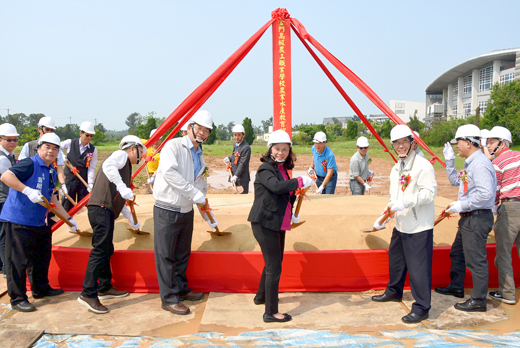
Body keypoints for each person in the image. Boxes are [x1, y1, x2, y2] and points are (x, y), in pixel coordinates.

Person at [0, 133, 79, 312]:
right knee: (17, 261)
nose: (51, 151)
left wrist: (68, 219)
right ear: (39, 148)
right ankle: (18, 298)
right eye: (47, 147)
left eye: (55, 148)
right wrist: (27, 190)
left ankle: (40, 288)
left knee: (41, 257)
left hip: (39, 221)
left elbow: (52, 198)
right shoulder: (29, 163)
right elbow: (6, 177)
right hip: (19, 219)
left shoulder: (50, 170)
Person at [153, 110, 218, 316]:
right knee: (166, 255)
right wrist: (193, 193)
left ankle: (181, 289)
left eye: (206, 130)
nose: (202, 133)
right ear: (189, 127)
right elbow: (169, 173)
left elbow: (199, 181)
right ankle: (169, 298)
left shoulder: (199, 153)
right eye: (198, 128)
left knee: (181, 254)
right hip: (167, 208)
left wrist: (202, 202)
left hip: (186, 209)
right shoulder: (173, 146)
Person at [371, 125, 437, 324]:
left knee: (418, 269)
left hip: (418, 226)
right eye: (396, 143)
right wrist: (385, 215)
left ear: (412, 143)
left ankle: (422, 307)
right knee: (396, 260)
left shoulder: (423, 166)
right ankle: (394, 291)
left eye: (404, 142)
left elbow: (429, 193)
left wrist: (406, 202)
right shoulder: (396, 167)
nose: (400, 146)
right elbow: (395, 197)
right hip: (401, 224)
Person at [247, 130, 314, 323]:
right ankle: (270, 312)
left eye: (285, 149)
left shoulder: (283, 169)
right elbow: (276, 187)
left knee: (273, 263)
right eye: (277, 149)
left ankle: (261, 296)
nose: (281, 153)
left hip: (277, 221)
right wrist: (300, 181)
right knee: (274, 266)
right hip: (264, 222)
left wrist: (293, 210)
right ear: (270, 150)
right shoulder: (265, 169)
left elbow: (285, 194)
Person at [77, 135, 144, 314]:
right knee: (100, 249)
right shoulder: (120, 156)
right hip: (100, 209)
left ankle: (105, 286)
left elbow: (118, 198)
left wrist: (130, 218)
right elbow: (107, 167)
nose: (142, 156)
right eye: (140, 152)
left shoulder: (125, 167)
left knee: (106, 248)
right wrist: (123, 188)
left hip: (105, 210)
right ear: (132, 148)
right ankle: (87, 293)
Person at [435, 124, 496, 312]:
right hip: (469, 218)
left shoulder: (480, 164)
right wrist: (449, 161)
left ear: (469, 142)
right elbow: (456, 181)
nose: (457, 146)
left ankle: (478, 300)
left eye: (458, 142)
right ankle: (457, 286)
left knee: (476, 260)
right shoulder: (471, 162)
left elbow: (486, 194)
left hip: (476, 217)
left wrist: (464, 204)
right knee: (457, 253)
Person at [486, 126, 520, 305]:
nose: (488, 146)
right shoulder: (519, 155)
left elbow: (495, 191)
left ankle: (507, 293)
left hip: (510, 208)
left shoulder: (498, 163)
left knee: (504, 254)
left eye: (491, 142)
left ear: (503, 143)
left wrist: (492, 212)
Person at [18, 117, 66, 192]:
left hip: (49, 185)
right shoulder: (29, 146)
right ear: (39, 129)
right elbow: (21, 167)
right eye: (47, 129)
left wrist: (62, 184)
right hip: (31, 186)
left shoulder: (56, 147)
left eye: (52, 130)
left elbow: (59, 168)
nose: (49, 132)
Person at [60, 121, 98, 212]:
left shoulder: (93, 150)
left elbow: (92, 168)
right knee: (68, 203)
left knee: (84, 204)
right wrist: (63, 157)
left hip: (83, 180)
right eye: (87, 135)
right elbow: (58, 147)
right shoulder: (70, 143)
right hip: (70, 179)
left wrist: (90, 183)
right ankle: (66, 222)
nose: (89, 138)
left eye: (91, 136)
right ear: (81, 133)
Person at [0, 123, 19, 278]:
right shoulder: (2, 158)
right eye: (9, 140)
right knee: (5, 234)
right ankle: (6, 268)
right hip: (2, 199)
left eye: (15, 139)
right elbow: (13, 179)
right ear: (0, 140)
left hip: (5, 197)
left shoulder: (10, 155)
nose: (12, 142)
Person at [223, 124, 251, 194]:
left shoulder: (246, 147)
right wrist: (229, 158)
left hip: (242, 178)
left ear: (243, 135)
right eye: (235, 135)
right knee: (235, 197)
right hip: (234, 176)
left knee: (242, 198)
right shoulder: (235, 145)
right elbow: (234, 156)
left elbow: (242, 163)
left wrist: (236, 176)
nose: (236, 137)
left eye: (239, 135)